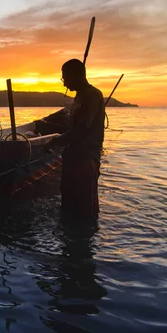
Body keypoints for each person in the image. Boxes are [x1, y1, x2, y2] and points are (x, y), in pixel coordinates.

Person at [47, 59, 105, 220]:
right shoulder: (80, 96)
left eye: (65, 78)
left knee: (85, 211)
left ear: (76, 75)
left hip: (86, 160)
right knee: (68, 206)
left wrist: (55, 141)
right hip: (72, 157)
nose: (64, 84)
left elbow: (82, 130)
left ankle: (83, 240)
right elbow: (73, 128)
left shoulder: (92, 96)